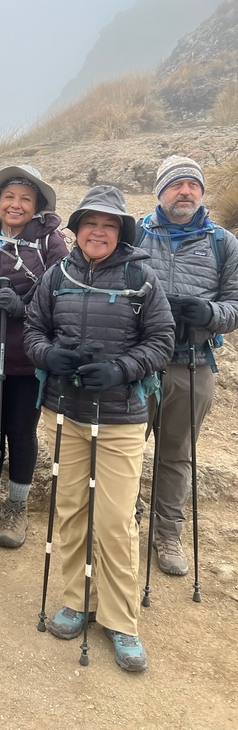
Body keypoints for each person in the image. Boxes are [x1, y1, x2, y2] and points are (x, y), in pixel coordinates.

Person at [24, 185, 174, 672]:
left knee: (113, 520)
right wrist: (51, 356)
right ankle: (76, 600)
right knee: (70, 509)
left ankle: (121, 619)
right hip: (65, 411)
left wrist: (122, 369)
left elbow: (162, 340)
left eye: (109, 225)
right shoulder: (56, 275)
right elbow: (33, 330)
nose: (98, 231)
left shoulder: (141, 277)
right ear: (77, 228)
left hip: (121, 418)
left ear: (121, 232)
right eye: (90, 222)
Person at [136, 155, 238, 575]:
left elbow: (235, 305)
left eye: (193, 185)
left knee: (176, 454)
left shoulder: (223, 243)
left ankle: (168, 533)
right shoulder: (135, 235)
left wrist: (209, 314)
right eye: (177, 184)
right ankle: (125, 518)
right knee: (122, 447)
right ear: (160, 190)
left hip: (193, 362)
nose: (185, 191)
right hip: (139, 361)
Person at [0, 165, 67, 546]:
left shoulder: (52, 243)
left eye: (25, 198)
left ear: (36, 204)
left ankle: (16, 508)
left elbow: (61, 292)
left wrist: (25, 307)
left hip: (27, 358)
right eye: (9, 197)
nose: (16, 205)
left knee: (21, 432)